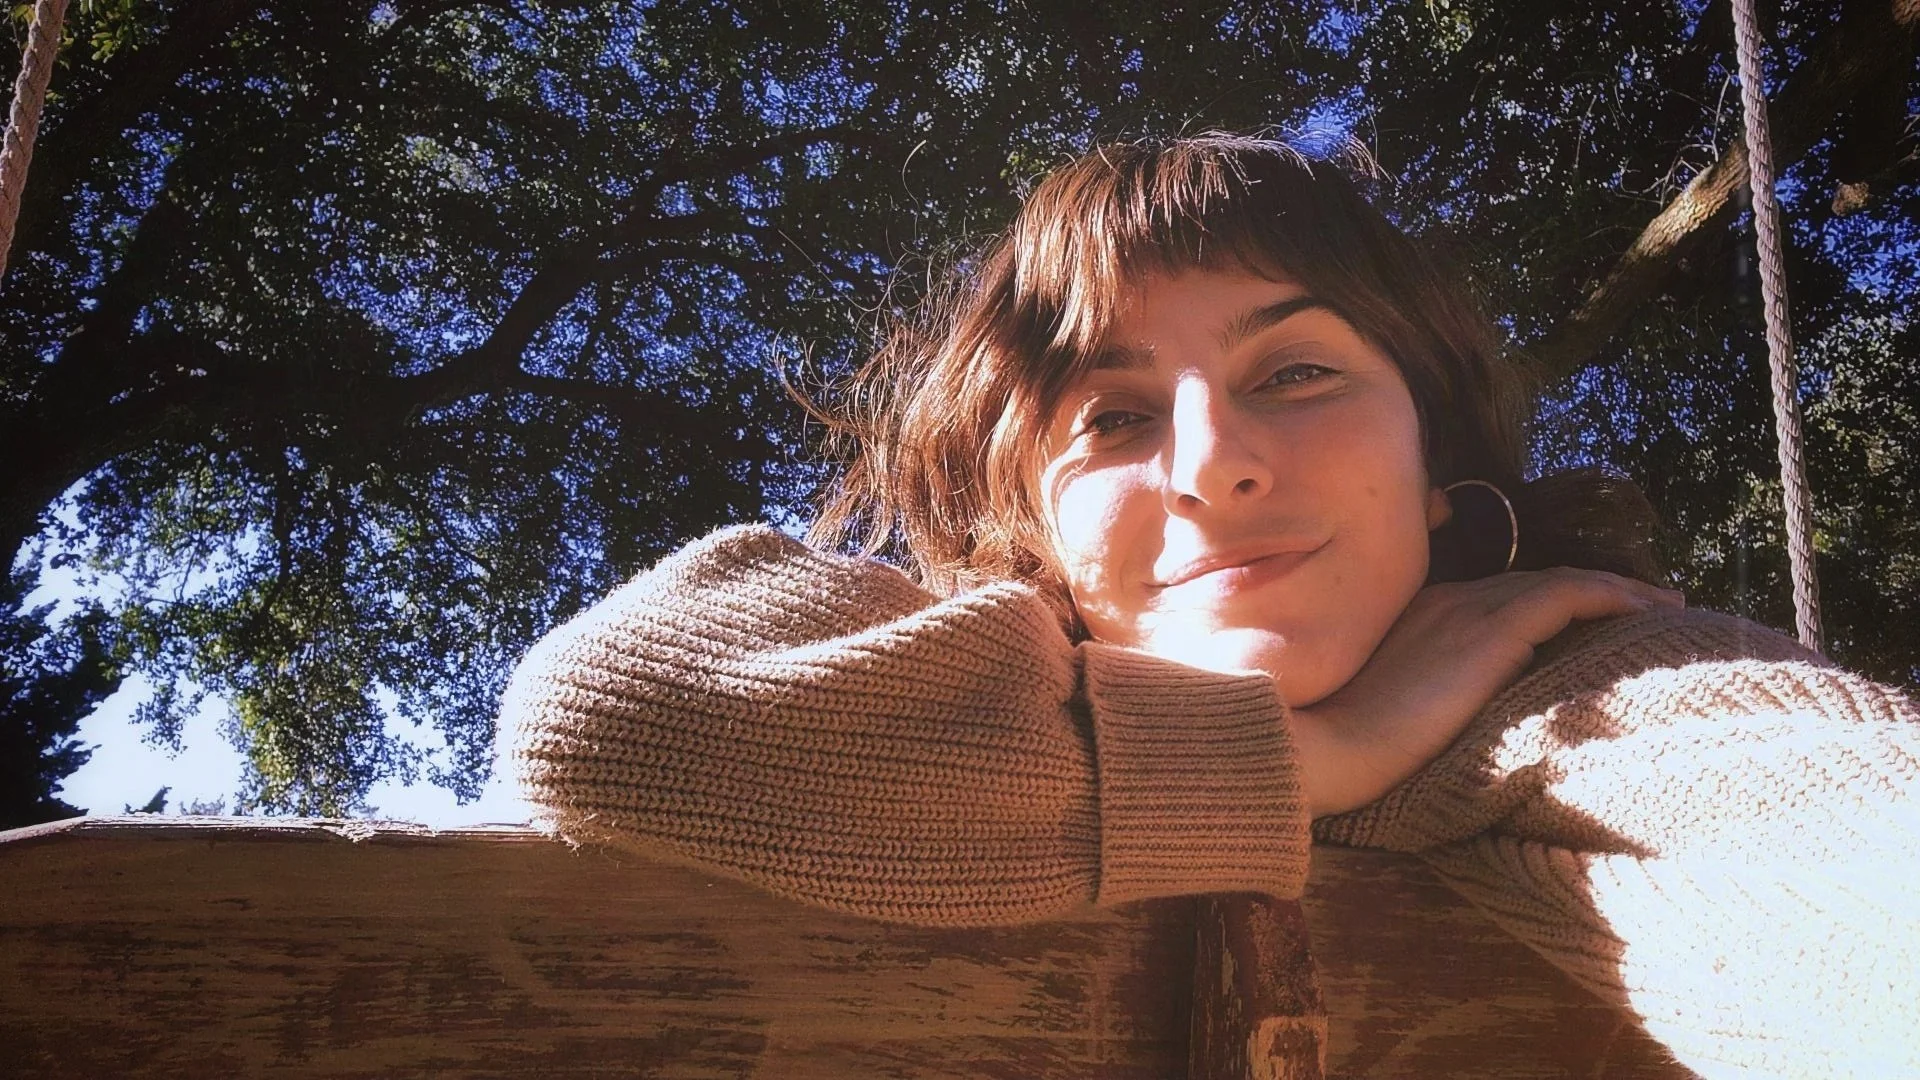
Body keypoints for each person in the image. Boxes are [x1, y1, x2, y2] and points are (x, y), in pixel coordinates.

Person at [499, 134, 1920, 1076]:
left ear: (1440, 464)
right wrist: (1301, 759)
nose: (1213, 465)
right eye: (1113, 421)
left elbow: (1844, 839)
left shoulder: (1592, 681)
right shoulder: (931, 700)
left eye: (1296, 374)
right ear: (1033, 536)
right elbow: (598, 715)